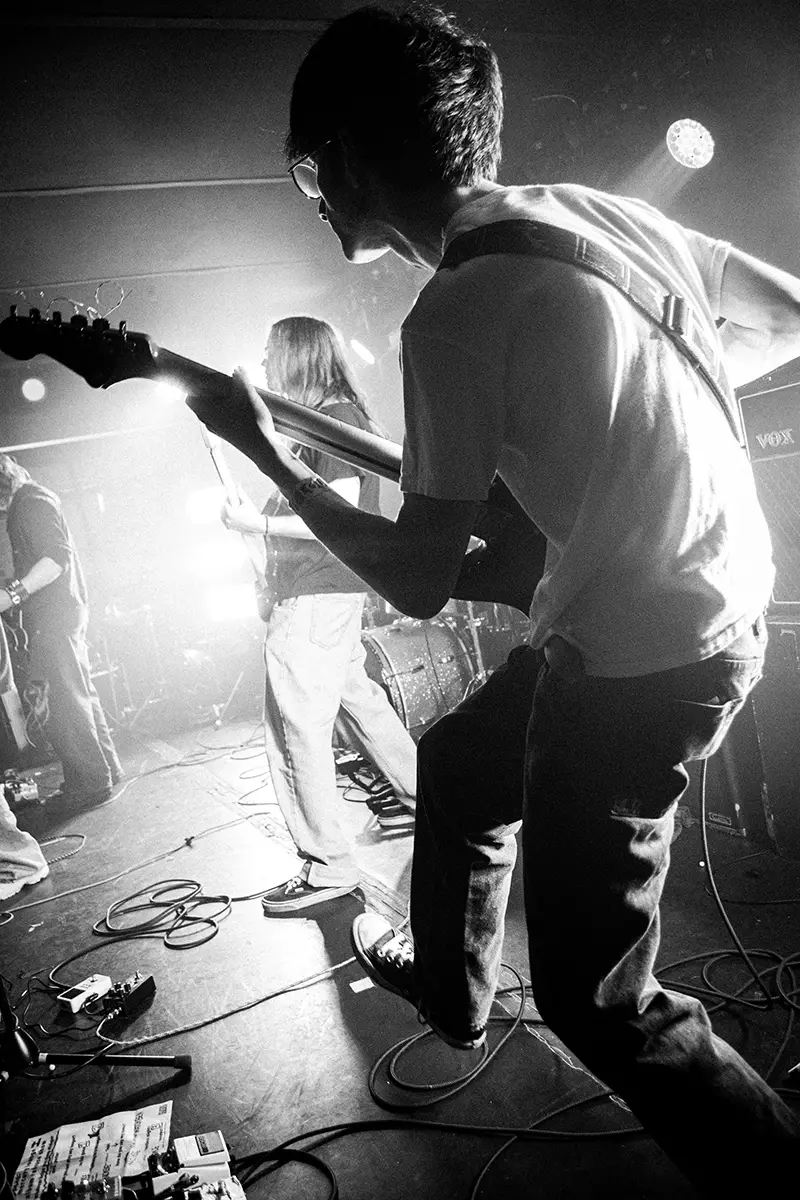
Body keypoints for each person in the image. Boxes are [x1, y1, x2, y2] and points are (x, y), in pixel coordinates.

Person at [186, 5, 800, 1192]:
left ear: (356, 159)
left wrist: (266, 458)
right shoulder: (604, 214)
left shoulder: (452, 313)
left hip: (636, 658)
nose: (314, 197)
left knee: (599, 1002)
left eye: (312, 169)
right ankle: (458, 994)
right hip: (706, 603)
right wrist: (657, 403)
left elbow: (417, 580)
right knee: (462, 753)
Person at [219, 316, 418, 913]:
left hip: (316, 598)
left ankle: (328, 865)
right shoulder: (326, 424)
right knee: (363, 709)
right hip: (324, 595)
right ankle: (435, 802)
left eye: (270, 351)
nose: (264, 360)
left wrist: (255, 524)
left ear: (295, 356)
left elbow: (339, 510)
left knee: (294, 730)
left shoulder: (335, 422)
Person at [0, 454, 123, 806]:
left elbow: (56, 557)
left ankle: (89, 783)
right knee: (80, 694)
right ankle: (106, 771)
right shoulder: (35, 499)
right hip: (64, 612)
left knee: (64, 701)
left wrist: (12, 595)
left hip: (55, 615)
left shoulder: (31, 503)